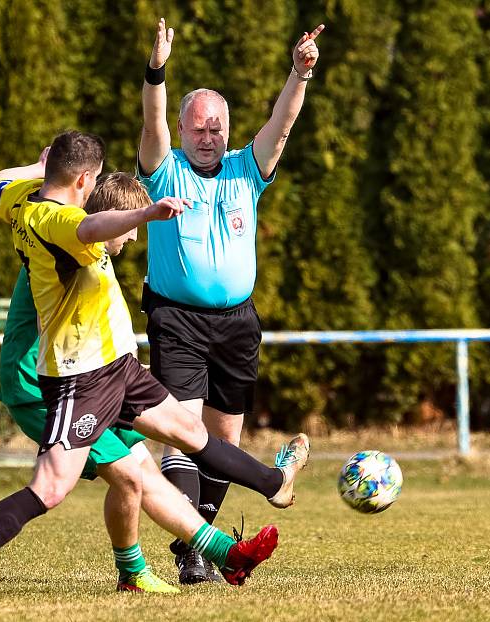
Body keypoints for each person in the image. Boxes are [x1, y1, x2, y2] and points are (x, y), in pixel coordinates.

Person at [0, 130, 309, 602]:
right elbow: (89, 229)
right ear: (84, 180)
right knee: (52, 487)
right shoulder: (57, 220)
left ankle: (264, 502)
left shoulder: (23, 198)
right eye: (96, 180)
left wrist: (35, 169)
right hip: (80, 379)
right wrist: (147, 213)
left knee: (186, 436)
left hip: (118, 368)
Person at [137, 18, 324, 584]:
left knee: (224, 441)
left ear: (227, 130)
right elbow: (151, 126)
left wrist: (299, 73)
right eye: (198, 127)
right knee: (180, 433)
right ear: (183, 129)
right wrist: (157, 71)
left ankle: (202, 549)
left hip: (238, 323)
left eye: (217, 127)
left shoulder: (247, 169)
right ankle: (194, 550)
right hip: (177, 319)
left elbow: (282, 124)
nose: (208, 136)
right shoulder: (164, 170)